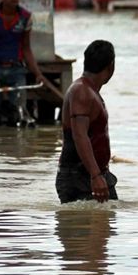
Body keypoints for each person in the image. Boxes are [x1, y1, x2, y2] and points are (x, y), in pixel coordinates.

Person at [0, 0, 51, 125]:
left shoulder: (26, 17)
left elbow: (26, 49)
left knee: (20, 108)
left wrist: (38, 75)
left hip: (17, 70)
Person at [57, 40, 117, 203]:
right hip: (81, 178)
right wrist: (95, 175)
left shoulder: (88, 91)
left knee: (107, 222)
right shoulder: (82, 92)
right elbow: (80, 135)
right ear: (110, 66)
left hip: (92, 175)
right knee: (85, 226)